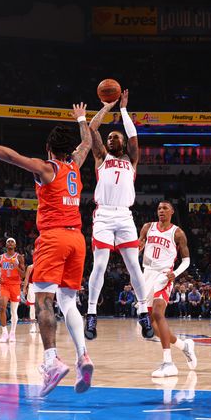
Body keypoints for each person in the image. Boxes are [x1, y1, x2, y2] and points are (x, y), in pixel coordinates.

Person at [0, 100, 101, 397]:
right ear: (67, 150)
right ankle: (83, 355)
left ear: (49, 149)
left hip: (54, 237)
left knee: (44, 301)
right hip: (77, 239)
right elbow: (86, 142)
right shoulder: (75, 165)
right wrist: (83, 118)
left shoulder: (48, 169)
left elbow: (10, 156)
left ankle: (51, 361)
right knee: (68, 301)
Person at [84, 90, 153, 341]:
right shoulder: (101, 157)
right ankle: (91, 314)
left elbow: (134, 136)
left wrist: (123, 110)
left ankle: (143, 311)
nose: (111, 139)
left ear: (122, 143)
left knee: (134, 265)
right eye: (109, 137)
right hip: (103, 215)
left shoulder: (131, 159)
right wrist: (107, 107)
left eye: (115, 137)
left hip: (124, 216)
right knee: (100, 265)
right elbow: (92, 128)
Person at [139, 201, 197, 378]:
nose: (161, 211)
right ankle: (183, 346)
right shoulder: (147, 227)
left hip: (164, 275)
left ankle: (168, 363)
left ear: (172, 211)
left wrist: (175, 273)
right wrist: (136, 250)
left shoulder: (177, 232)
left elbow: (186, 260)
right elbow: (138, 247)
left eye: (165, 208)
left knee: (158, 313)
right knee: (150, 322)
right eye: (158, 208)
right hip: (146, 274)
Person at [0, 238, 25, 342]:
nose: (10, 243)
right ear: (5, 244)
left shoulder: (19, 257)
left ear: (15, 245)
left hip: (15, 285)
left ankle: (12, 333)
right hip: (4, 285)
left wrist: (16, 267)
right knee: (2, 307)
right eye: (8, 241)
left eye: (12, 241)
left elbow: (23, 275)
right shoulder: (0, 257)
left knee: (14, 311)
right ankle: (4, 333)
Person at [22, 264, 38, 333]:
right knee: (32, 307)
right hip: (32, 286)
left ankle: (41, 326)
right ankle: (33, 326)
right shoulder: (30, 267)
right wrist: (24, 288)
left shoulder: (43, 265)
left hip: (41, 286)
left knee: (41, 307)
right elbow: (26, 278)